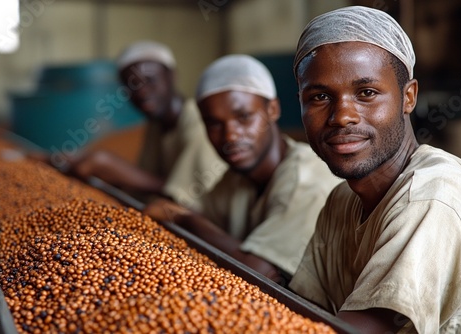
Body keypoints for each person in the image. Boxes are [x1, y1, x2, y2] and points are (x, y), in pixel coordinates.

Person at [288, 6, 461, 333]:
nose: (342, 116)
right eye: (320, 96)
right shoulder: (341, 201)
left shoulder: (432, 197)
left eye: (366, 93)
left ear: (408, 98)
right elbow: (306, 309)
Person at [144, 54, 341, 285]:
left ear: (273, 110)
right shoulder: (236, 179)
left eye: (244, 117)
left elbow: (258, 274)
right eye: (215, 124)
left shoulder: (307, 180)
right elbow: (202, 218)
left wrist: (185, 219)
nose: (230, 135)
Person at [66, 41, 226, 208]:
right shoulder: (156, 125)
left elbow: (182, 198)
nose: (141, 92)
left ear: (172, 76)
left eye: (150, 80)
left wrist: (111, 166)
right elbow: (144, 186)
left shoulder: (200, 123)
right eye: (132, 85)